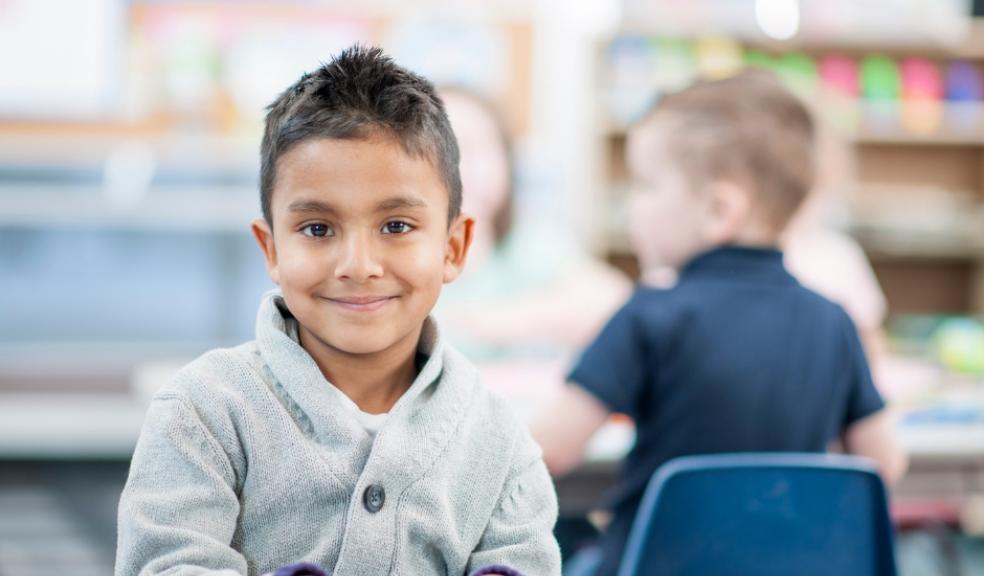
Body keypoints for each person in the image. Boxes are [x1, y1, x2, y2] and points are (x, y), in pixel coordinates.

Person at [116, 46, 561, 576]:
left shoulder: (500, 443)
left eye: (396, 226)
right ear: (273, 250)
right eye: (318, 229)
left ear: (453, 247)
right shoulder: (204, 413)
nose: (358, 264)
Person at [532, 70, 908, 576]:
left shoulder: (648, 315)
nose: (632, 208)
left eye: (645, 185)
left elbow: (548, 450)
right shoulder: (833, 321)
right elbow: (883, 463)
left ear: (719, 210)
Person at [436, 87, 631, 359]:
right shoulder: (392, 256)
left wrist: (489, 323)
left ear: (507, 163)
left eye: (475, 148)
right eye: (440, 151)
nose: (460, 167)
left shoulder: (530, 244)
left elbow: (614, 303)